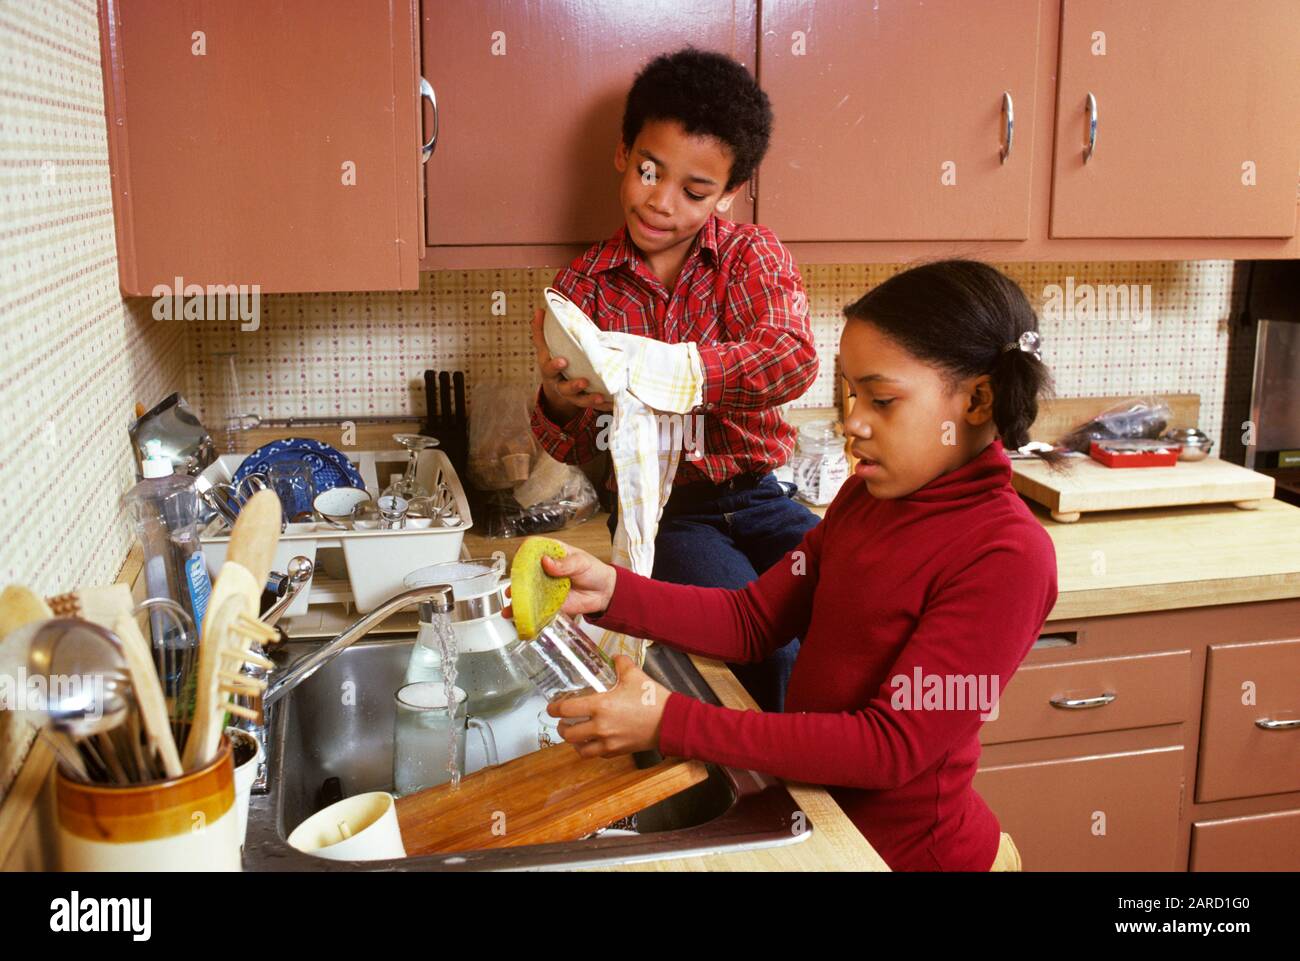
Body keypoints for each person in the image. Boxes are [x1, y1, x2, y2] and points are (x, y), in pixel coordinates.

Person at [514, 260, 1061, 871]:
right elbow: (753, 621)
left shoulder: (1006, 554)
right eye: (851, 394)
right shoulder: (866, 498)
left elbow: (889, 748)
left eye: (881, 400)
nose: (852, 421)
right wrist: (612, 591)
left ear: (977, 399)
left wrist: (670, 721)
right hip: (824, 831)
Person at [529, 48, 819, 712]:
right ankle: (783, 795)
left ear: (729, 190)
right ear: (623, 153)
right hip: (670, 519)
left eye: (694, 192)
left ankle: (833, 780)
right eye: (648, 172)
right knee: (763, 642)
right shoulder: (582, 290)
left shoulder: (748, 256)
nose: (661, 204)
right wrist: (560, 402)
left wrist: (674, 372)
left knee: (856, 605)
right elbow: (573, 450)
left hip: (762, 497)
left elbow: (791, 357)